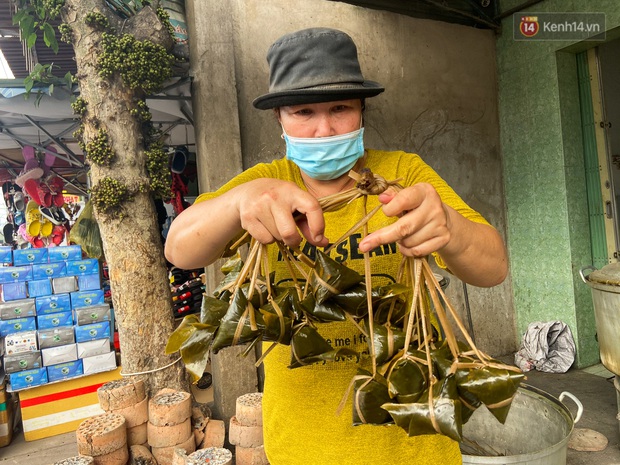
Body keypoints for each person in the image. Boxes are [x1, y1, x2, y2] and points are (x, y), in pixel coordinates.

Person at [165, 27, 508, 465]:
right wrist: (237, 202)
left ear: (362, 111)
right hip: (304, 447)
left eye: (340, 108)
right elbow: (179, 248)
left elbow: (493, 267)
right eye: (303, 111)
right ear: (280, 120)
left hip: (414, 448)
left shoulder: (403, 172)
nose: (324, 129)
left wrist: (451, 231)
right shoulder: (264, 186)